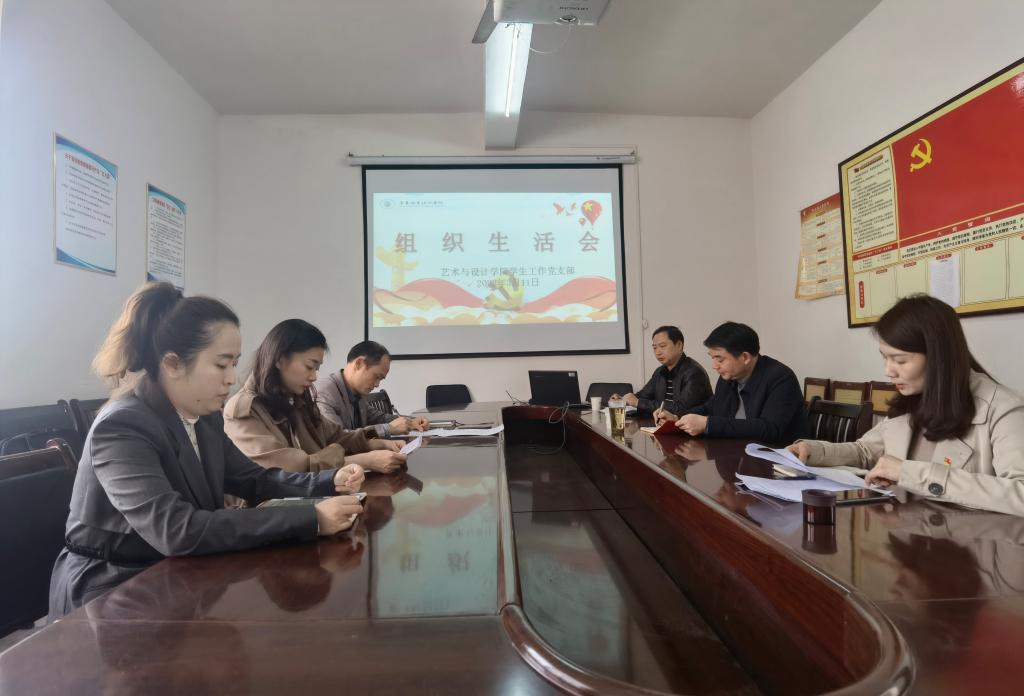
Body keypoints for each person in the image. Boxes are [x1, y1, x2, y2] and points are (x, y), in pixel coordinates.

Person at [49, 283, 364, 619]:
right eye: (221, 365)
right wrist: (311, 518)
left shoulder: (203, 415)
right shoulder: (123, 426)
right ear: (173, 364)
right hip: (113, 591)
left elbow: (254, 480)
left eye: (234, 364)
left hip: (174, 572)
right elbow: (176, 529)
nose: (231, 378)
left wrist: (329, 482)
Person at [788, 294, 1024, 516]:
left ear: (938, 357)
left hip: (970, 542)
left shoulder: (1003, 409)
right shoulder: (913, 398)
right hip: (907, 534)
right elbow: (865, 452)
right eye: (885, 357)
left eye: (900, 360)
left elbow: (1020, 494)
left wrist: (912, 474)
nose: (888, 371)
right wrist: (814, 451)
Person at [224, 320, 406, 475]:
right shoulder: (245, 410)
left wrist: (374, 444)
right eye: (309, 366)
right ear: (280, 359)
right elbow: (286, 471)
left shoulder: (297, 400)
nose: (314, 377)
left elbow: (336, 436)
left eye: (316, 369)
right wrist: (364, 461)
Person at [674, 321, 805, 443]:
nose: (714, 366)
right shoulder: (728, 377)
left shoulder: (781, 378)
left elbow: (770, 428)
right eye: (712, 358)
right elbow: (711, 407)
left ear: (745, 357)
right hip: (734, 451)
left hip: (773, 455)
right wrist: (677, 418)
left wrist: (708, 424)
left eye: (720, 359)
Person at [314, 340, 428, 436]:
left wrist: (411, 422)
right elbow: (339, 438)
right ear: (359, 363)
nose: (377, 385)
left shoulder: (356, 393)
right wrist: (388, 429)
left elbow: (380, 418)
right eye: (376, 377)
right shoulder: (325, 392)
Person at [614, 325, 711, 421]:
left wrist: (638, 402)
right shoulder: (660, 372)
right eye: (654, 348)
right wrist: (623, 399)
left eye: (662, 346)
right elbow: (643, 396)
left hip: (690, 428)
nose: (658, 352)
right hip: (662, 425)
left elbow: (682, 409)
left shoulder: (694, 372)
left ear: (679, 345)